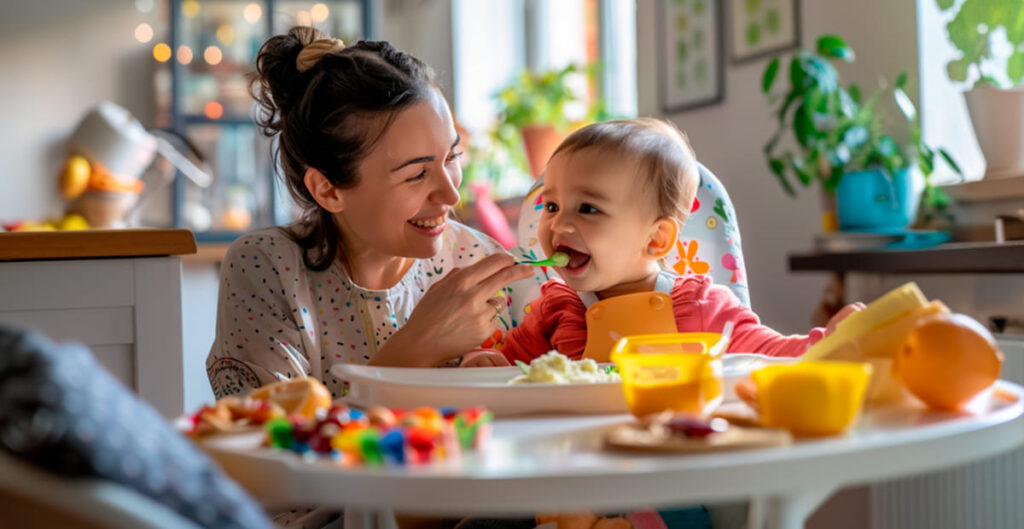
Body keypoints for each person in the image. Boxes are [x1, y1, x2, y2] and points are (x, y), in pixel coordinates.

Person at [206, 26, 534, 401]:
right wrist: (416, 348)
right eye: (416, 175)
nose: (450, 193)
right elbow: (268, 442)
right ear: (328, 190)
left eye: (452, 157)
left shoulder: (483, 264)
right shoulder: (268, 269)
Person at [462, 118, 864, 367]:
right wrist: (486, 363)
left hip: (674, 471)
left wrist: (832, 342)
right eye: (551, 205)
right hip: (572, 474)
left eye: (587, 209)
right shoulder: (554, 308)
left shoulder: (702, 307)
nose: (558, 224)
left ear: (657, 238)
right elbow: (509, 372)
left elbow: (773, 357)